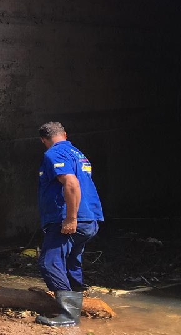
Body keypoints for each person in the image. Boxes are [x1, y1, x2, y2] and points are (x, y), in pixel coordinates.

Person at [35, 122, 104, 327]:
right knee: (71, 262)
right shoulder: (78, 153)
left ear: (43, 140)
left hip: (70, 219)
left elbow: (71, 183)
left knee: (50, 261)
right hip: (89, 218)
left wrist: (71, 218)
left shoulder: (54, 154)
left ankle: (68, 315)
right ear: (64, 134)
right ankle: (77, 309)